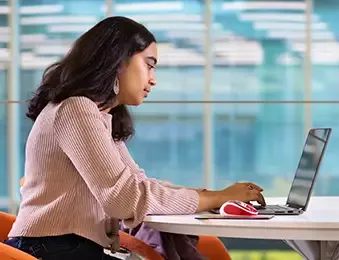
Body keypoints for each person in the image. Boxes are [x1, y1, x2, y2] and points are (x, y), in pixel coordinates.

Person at [3, 16, 266, 260]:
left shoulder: (99, 114)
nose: (153, 81)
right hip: (51, 249)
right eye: (149, 66)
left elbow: (136, 183)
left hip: (68, 247)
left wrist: (214, 195)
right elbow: (124, 198)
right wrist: (216, 198)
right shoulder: (76, 109)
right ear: (118, 62)